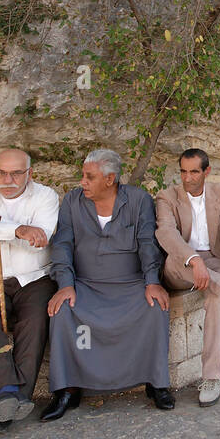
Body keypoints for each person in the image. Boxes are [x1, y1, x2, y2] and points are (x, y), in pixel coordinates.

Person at [41, 149, 174, 421]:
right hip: (86, 285)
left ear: (110, 179)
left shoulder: (138, 200)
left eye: (89, 177)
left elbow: (148, 243)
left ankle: (156, 382)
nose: (83, 182)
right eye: (83, 176)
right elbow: (62, 244)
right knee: (63, 312)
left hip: (130, 284)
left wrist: (152, 281)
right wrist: (65, 284)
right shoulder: (72, 202)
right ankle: (67, 389)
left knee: (155, 308)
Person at [154, 148, 220, 407]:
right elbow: (166, 234)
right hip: (179, 265)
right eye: (183, 171)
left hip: (213, 263)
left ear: (207, 171)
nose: (187, 177)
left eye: (194, 171)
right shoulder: (166, 197)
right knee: (176, 261)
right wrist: (193, 260)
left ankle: (212, 378)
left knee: (217, 302)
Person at [0, 148, 59, 432]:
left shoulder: (45, 196)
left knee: (36, 321)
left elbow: (40, 238)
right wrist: (18, 230)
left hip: (34, 277)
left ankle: (9, 401)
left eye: (16, 173)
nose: (7, 179)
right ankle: (7, 393)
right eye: (1, 172)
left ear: (30, 174)